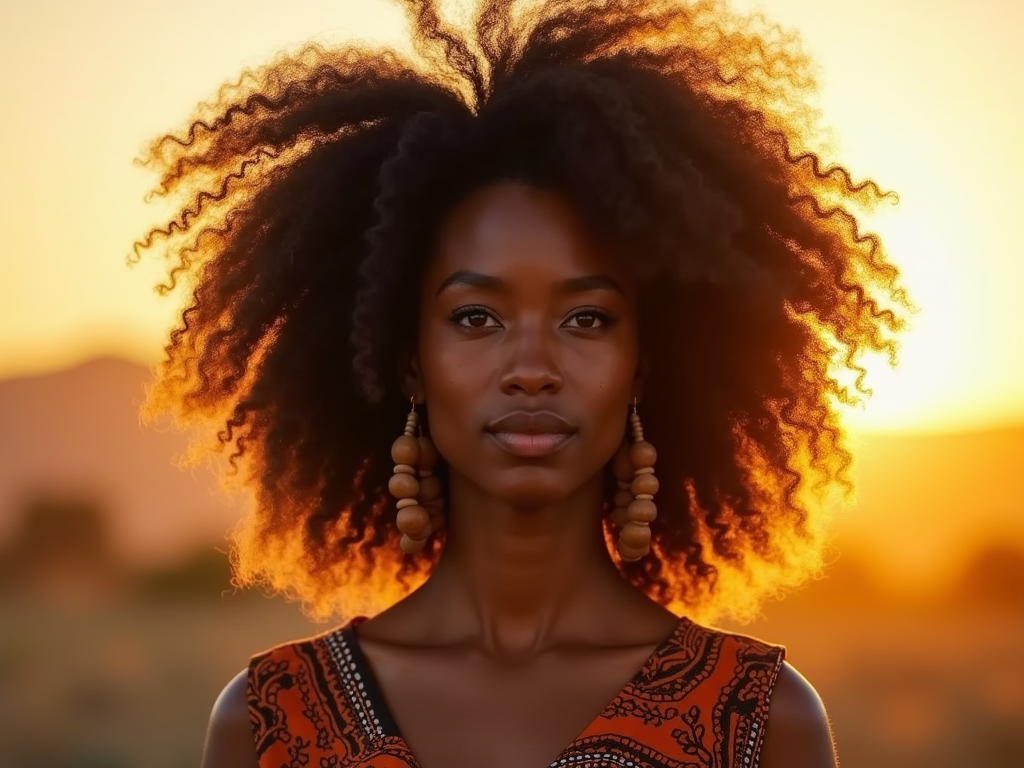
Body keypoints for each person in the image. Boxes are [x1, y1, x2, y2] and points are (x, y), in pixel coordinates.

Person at [136, 0, 907, 766]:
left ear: (643, 363)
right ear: (409, 360)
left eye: (587, 320)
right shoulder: (270, 721)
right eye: (476, 319)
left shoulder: (762, 720)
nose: (533, 368)